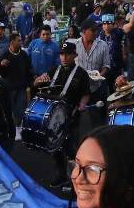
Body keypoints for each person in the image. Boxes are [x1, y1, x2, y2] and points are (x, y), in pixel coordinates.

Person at [33, 41, 92, 187]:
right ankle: (61, 175)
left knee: (71, 148)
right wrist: (38, 81)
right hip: (54, 117)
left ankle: (76, 177)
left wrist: (82, 104)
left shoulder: (81, 74)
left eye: (67, 54)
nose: (64, 57)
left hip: (72, 115)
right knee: (55, 147)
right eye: (61, 54)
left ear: (74, 55)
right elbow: (36, 83)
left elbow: (86, 93)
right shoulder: (55, 70)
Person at [0, 32, 32, 127]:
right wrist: (1, 65)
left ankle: (19, 128)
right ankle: (12, 129)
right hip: (9, 89)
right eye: (19, 41)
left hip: (21, 88)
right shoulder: (4, 55)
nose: (21, 42)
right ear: (12, 42)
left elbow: (28, 69)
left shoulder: (23, 54)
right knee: (9, 110)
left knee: (21, 109)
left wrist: (29, 84)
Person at [98, 14, 126, 83]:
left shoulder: (119, 33)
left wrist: (124, 55)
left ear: (113, 25)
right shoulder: (100, 35)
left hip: (116, 65)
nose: (106, 26)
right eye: (104, 24)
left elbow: (124, 45)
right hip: (105, 66)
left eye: (109, 24)